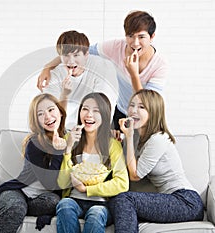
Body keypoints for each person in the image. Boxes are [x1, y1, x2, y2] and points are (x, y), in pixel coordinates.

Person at [37, 11, 167, 139]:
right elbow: (78, 50)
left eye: (141, 37)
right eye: (130, 36)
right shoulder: (116, 48)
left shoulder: (159, 65)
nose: (135, 42)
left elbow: (147, 104)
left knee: (141, 152)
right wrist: (48, 67)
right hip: (122, 110)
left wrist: (133, 74)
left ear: (152, 36)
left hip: (146, 116)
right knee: (117, 149)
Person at [108, 89, 204, 233]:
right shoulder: (137, 140)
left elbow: (135, 175)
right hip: (169, 199)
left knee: (125, 199)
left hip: (186, 201)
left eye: (141, 107)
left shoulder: (158, 139)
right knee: (115, 201)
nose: (133, 110)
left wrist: (127, 137)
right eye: (132, 105)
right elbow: (123, 168)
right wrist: (117, 139)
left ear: (153, 112)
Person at [0, 93, 67, 233]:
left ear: (60, 112)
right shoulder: (34, 143)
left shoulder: (68, 138)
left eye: (51, 110)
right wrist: (58, 152)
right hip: (17, 192)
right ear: (36, 120)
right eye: (40, 114)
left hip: (39, 200)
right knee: (17, 208)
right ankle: (19, 207)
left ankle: (23, 207)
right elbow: (49, 183)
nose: (47, 116)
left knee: (54, 202)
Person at [56, 92, 129, 233]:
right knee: (64, 204)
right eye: (85, 109)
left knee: (96, 214)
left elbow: (122, 183)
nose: (89, 115)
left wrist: (87, 190)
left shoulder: (112, 144)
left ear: (105, 116)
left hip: (101, 204)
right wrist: (68, 148)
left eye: (96, 111)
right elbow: (62, 183)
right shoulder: (70, 138)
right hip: (73, 200)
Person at [41, 30, 118, 129]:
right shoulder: (54, 75)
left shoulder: (102, 68)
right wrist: (64, 95)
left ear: (86, 55)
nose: (71, 61)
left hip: (93, 129)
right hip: (64, 129)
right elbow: (50, 115)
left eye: (76, 55)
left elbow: (103, 109)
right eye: (66, 55)